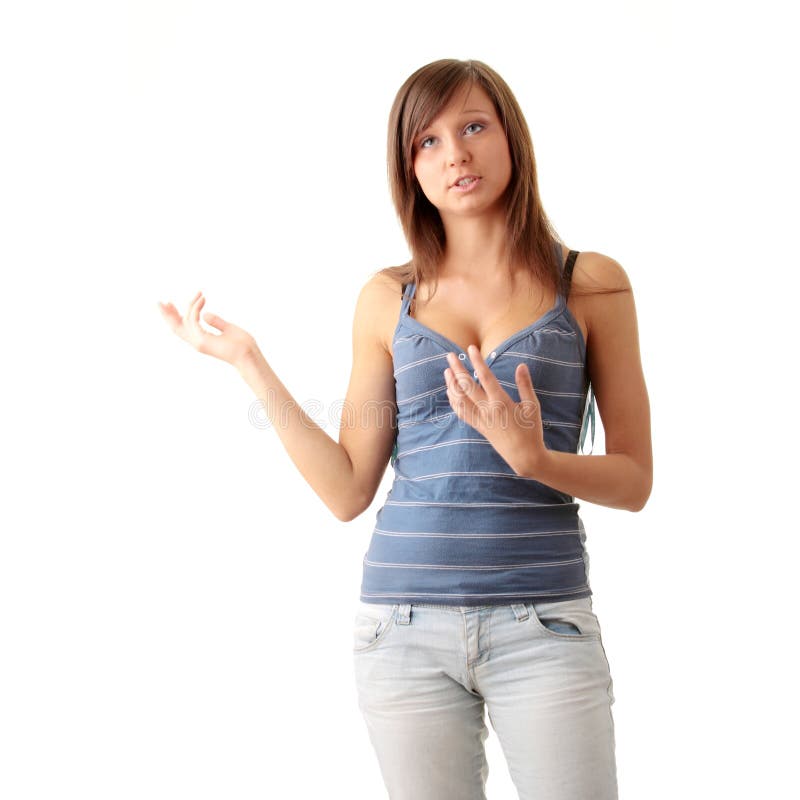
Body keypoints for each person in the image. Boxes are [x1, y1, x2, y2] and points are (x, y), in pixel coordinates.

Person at [158, 58, 652, 800]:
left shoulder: (590, 283)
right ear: (409, 168)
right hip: (401, 628)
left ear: (510, 137)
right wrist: (249, 361)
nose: (454, 152)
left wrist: (534, 457)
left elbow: (635, 480)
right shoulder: (386, 298)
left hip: (543, 628)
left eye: (474, 127)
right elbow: (348, 489)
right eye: (427, 141)